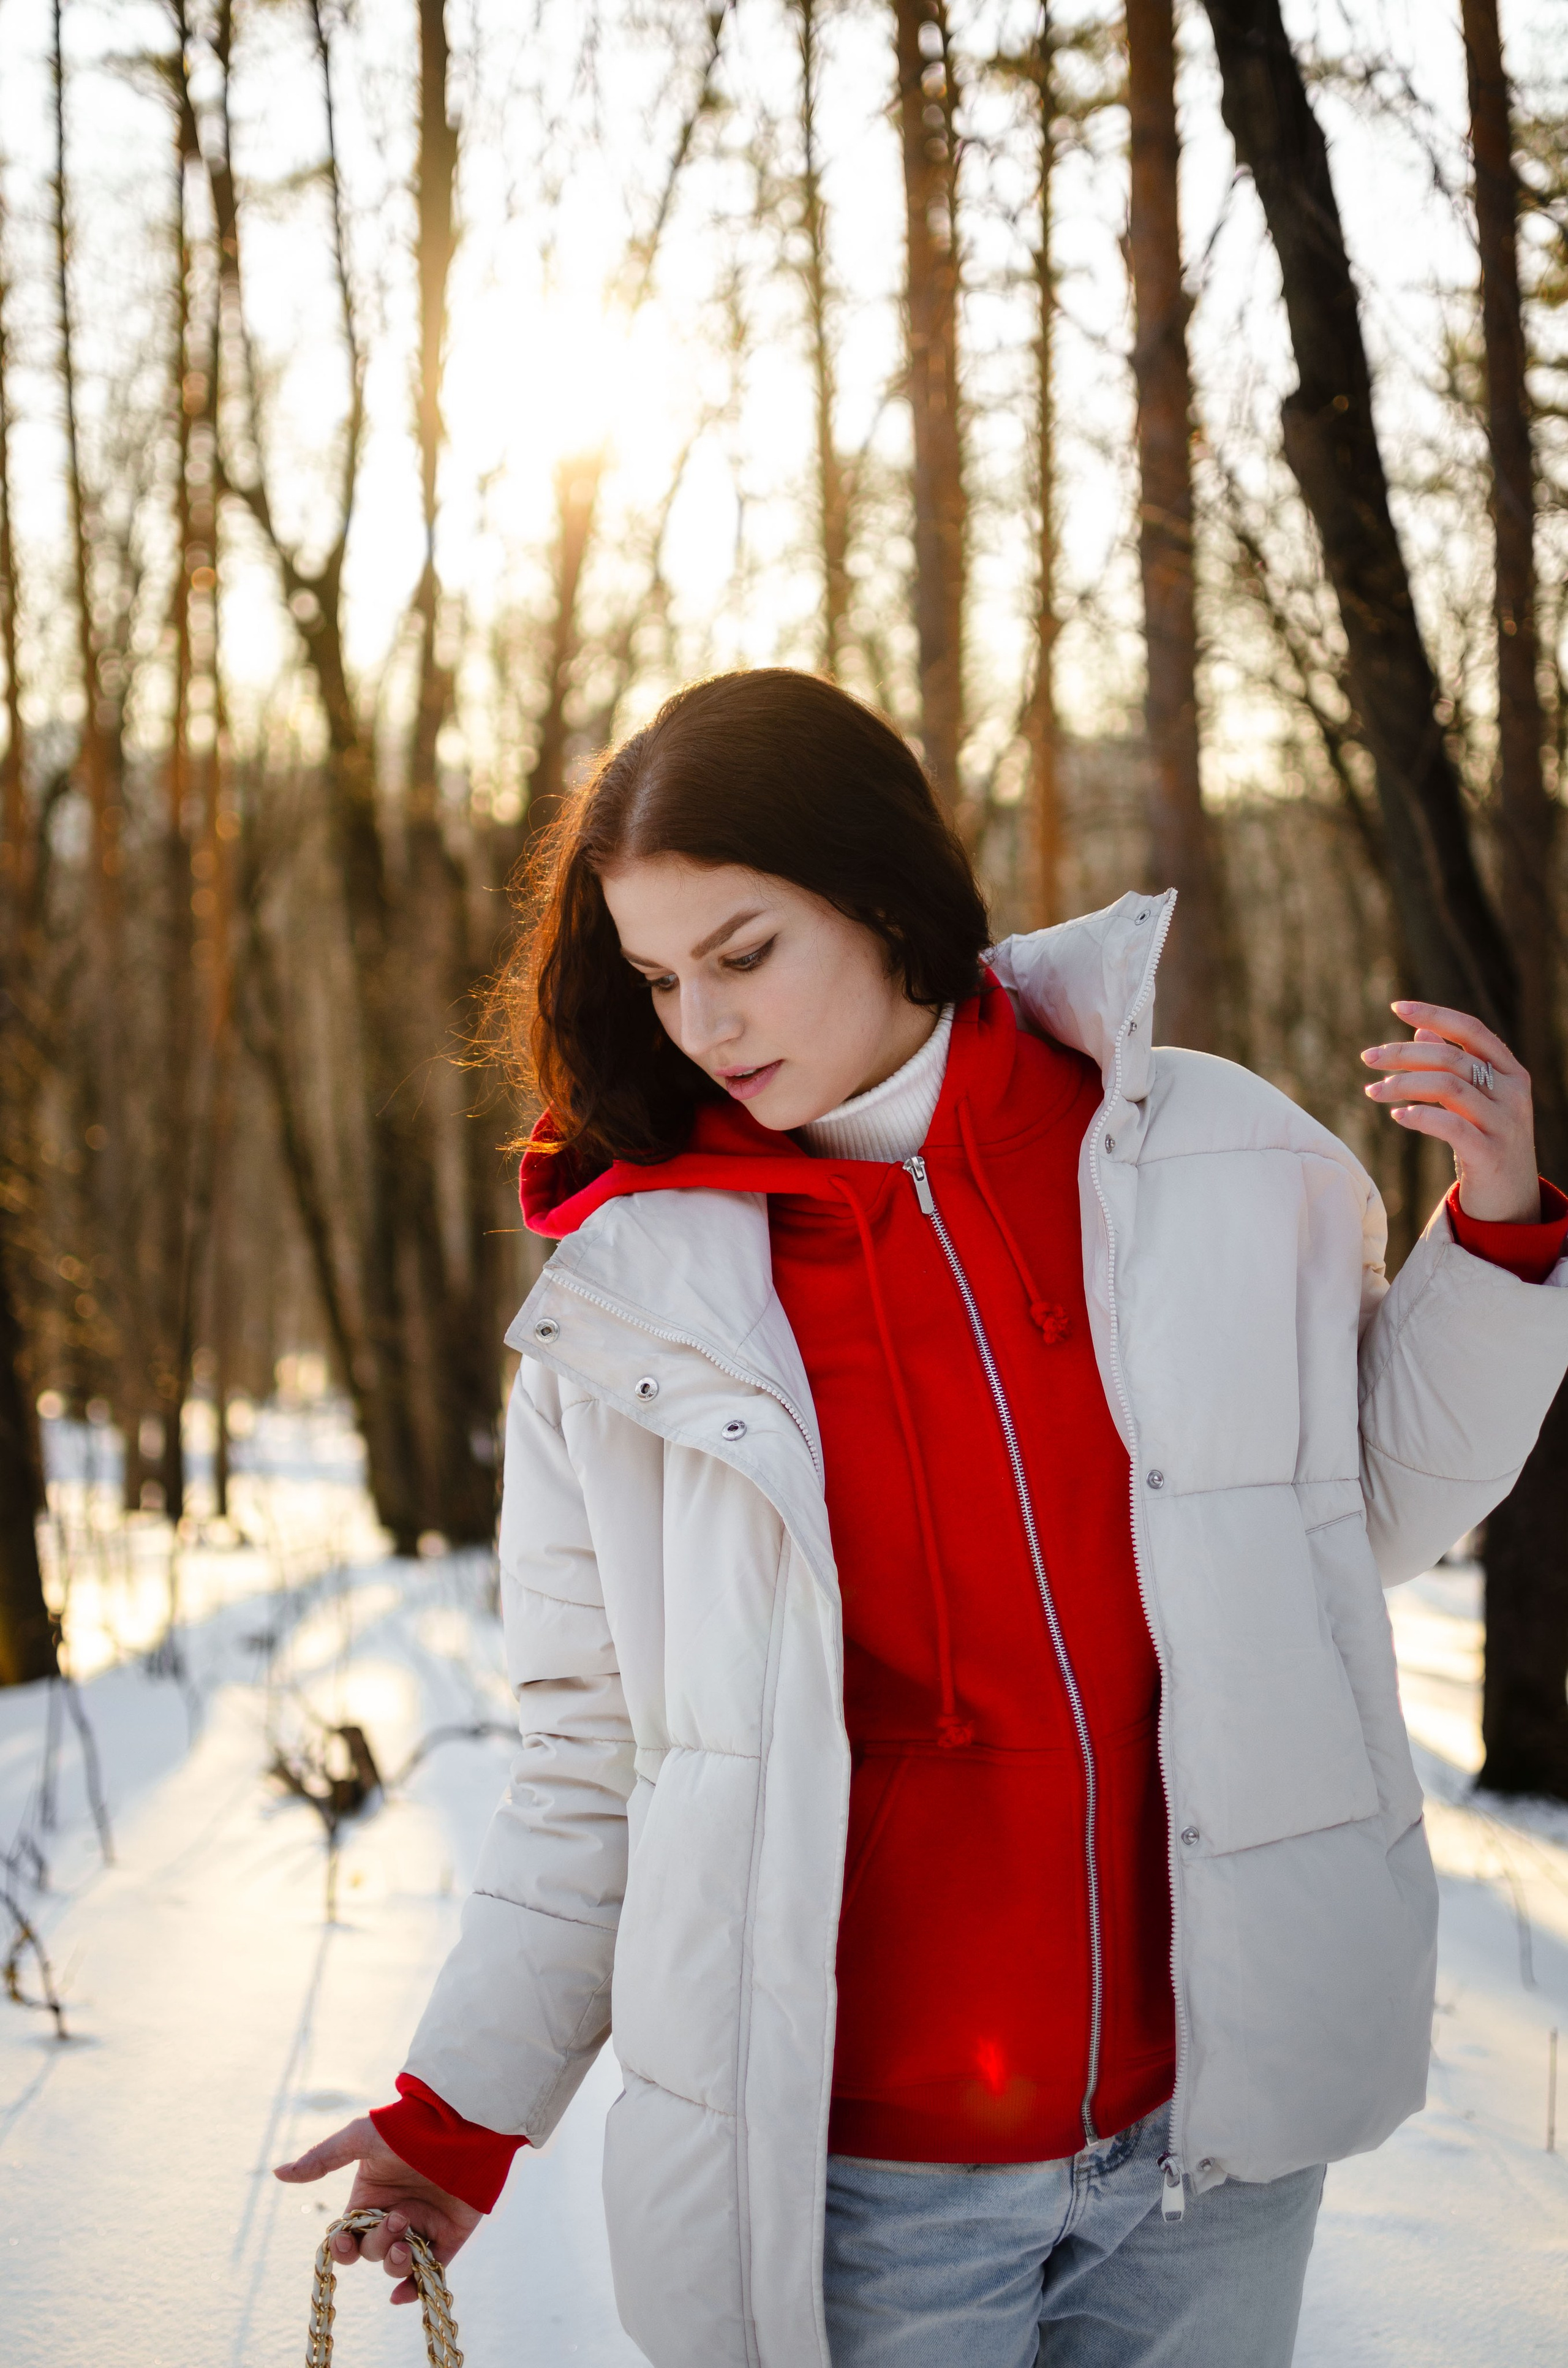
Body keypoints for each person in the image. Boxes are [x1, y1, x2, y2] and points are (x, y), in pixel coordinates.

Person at [277, 670, 1568, 2368]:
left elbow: (1360, 1518)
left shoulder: (1222, 1162)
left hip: (1212, 2132)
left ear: (886, 896)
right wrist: (462, 2117)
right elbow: (596, 1761)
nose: (705, 1027)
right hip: (872, 2166)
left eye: (745, 955)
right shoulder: (632, 1321)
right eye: (660, 977)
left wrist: (1495, 1240)